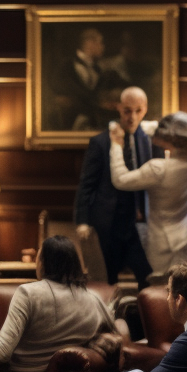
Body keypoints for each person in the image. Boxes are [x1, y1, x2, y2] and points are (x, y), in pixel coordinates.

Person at [0, 234, 116, 372]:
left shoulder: (28, 293)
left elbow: (2, 352)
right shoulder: (93, 298)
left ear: (44, 262)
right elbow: (115, 332)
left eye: (39, 257)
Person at [108, 110, 187, 283]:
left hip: (163, 244)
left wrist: (116, 145)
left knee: (165, 294)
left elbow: (120, 180)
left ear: (174, 139)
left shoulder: (158, 168)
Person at [75, 86, 153, 285]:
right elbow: (87, 184)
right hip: (108, 222)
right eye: (127, 110)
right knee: (107, 280)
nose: (132, 117)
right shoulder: (100, 142)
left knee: (147, 277)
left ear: (145, 109)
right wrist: (82, 220)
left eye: (138, 111)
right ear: (119, 108)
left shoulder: (150, 142)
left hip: (140, 223)